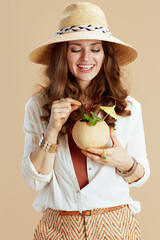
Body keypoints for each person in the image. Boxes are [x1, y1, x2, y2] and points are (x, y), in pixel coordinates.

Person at [22, 2, 150, 239]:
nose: (86, 58)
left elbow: (141, 176)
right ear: (63, 54)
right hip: (58, 227)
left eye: (95, 48)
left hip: (116, 225)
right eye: (76, 48)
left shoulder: (127, 107)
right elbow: (35, 181)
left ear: (105, 54)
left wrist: (125, 162)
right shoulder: (39, 106)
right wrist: (52, 130)